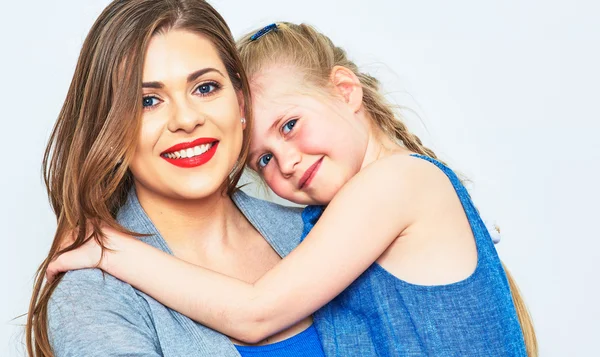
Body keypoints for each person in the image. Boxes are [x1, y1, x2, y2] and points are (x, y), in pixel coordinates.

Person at [47, 21, 537, 356]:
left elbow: (256, 312)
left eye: (205, 87)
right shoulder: (96, 299)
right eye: (264, 159)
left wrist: (114, 251)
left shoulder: (397, 182)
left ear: (346, 91)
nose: (288, 161)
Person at [26, 2, 326, 357]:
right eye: (148, 101)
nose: (185, 119)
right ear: (110, 132)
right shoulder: (92, 293)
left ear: (241, 104)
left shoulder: (322, 230)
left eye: (205, 88)